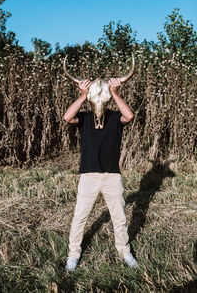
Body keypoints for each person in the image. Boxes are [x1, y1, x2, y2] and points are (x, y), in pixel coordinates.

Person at [64, 78, 139, 272]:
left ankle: (125, 253)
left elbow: (129, 116)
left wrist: (115, 92)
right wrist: (82, 95)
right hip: (89, 175)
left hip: (112, 176)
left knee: (119, 218)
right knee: (80, 216)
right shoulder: (85, 117)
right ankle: (73, 256)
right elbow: (67, 117)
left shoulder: (115, 117)